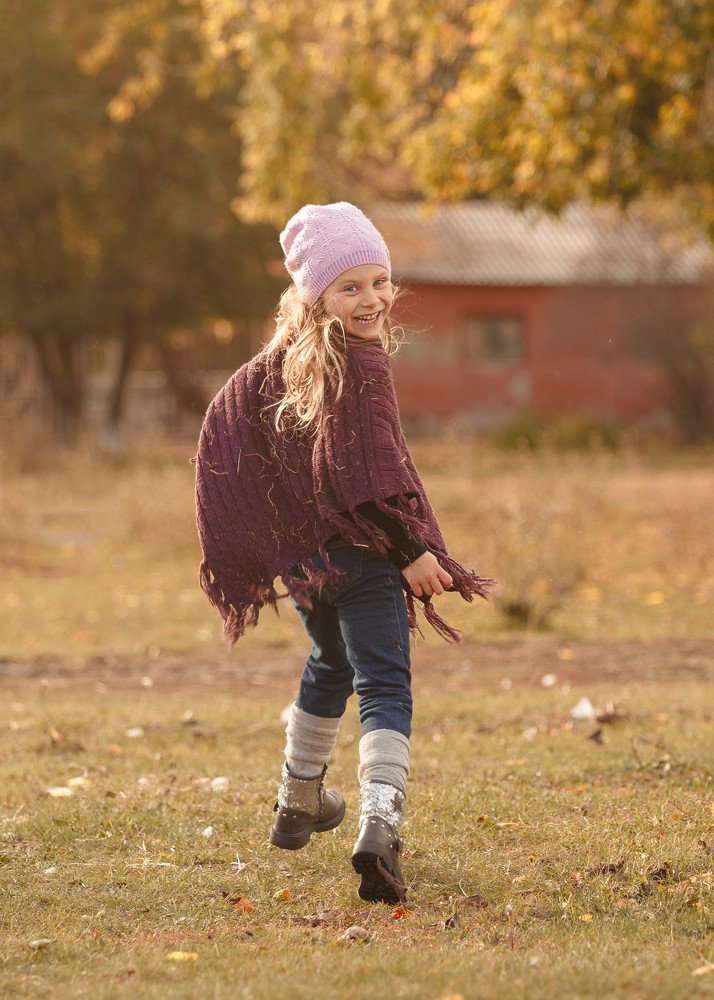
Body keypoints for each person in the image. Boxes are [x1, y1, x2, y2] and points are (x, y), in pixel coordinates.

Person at [194, 202, 494, 904]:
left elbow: (223, 427)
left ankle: (299, 799)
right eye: (350, 288)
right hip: (361, 556)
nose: (372, 301)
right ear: (317, 296)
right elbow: (369, 473)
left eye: (380, 282)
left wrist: (276, 534)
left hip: (306, 566)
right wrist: (413, 549)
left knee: (331, 661)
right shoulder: (362, 367)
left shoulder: (276, 366)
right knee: (385, 685)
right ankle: (380, 830)